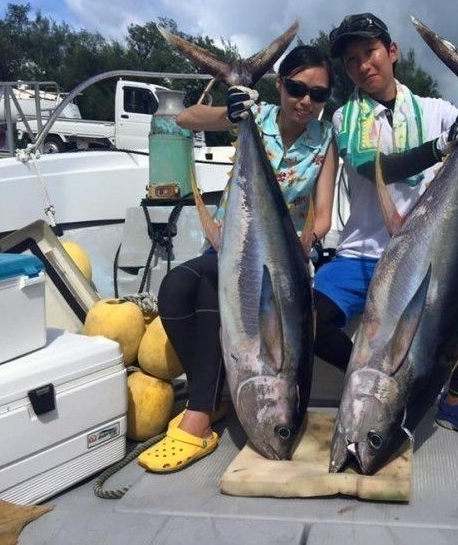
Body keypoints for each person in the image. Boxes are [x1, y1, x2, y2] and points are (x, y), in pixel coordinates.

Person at [313, 13, 458, 446]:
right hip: (361, 258)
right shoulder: (346, 118)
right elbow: (372, 167)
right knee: (305, 318)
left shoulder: (435, 110)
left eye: (370, 52)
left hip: (424, 262)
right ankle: (370, 384)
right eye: (351, 60)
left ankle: (457, 401)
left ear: (392, 52)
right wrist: (443, 144)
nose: (363, 65)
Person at [138, 44, 338, 472]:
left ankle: (200, 410)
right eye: (298, 88)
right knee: (174, 289)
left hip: (282, 263)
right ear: (280, 84)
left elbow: (321, 216)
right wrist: (232, 111)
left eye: (318, 95)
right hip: (229, 244)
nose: (306, 101)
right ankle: (217, 395)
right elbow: (186, 118)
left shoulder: (325, 141)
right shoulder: (256, 116)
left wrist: (306, 241)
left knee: (211, 283)